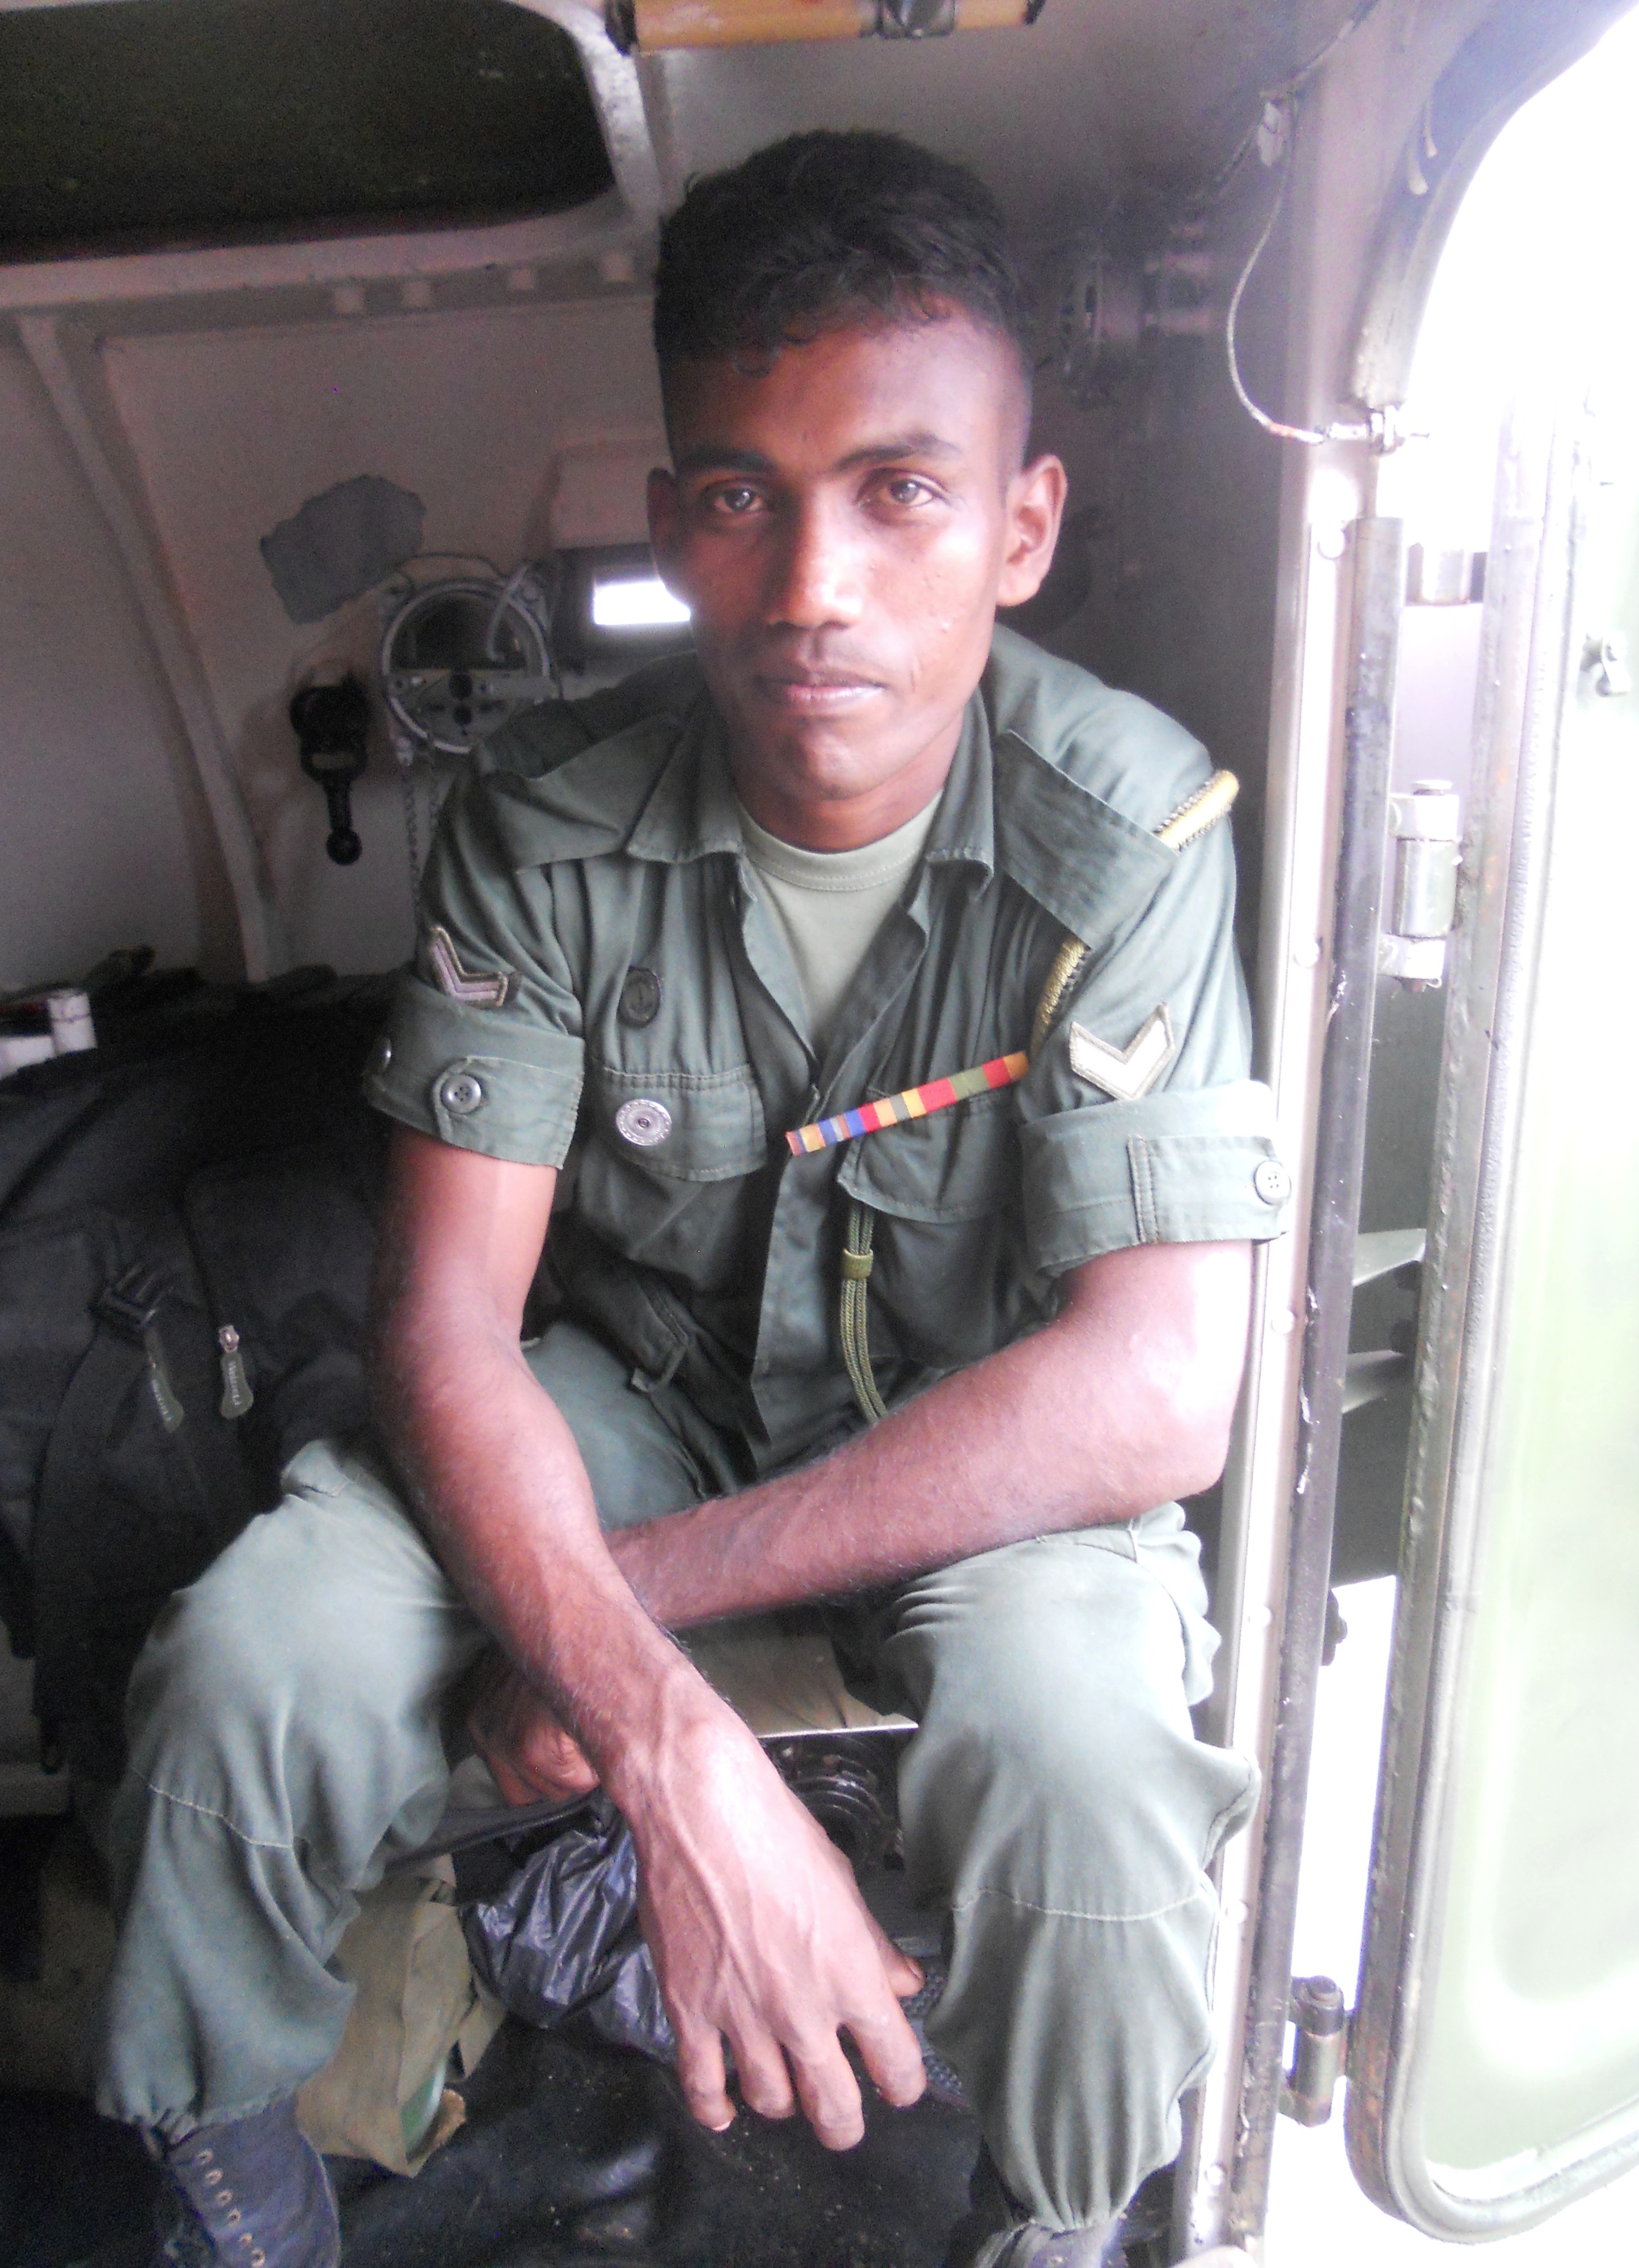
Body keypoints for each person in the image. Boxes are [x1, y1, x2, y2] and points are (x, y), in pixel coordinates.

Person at [97, 131, 1287, 2268]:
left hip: (986, 1443)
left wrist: (608, 1612)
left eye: (901, 491)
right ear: (673, 529)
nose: (815, 583)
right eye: (744, 496)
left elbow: (1152, 1391)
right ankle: (232, 2174)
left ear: (1022, 529)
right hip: (634, 1391)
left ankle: (1058, 2226)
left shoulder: (1131, 838)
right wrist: (667, 1741)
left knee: (1097, 1790)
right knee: (248, 1673)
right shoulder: (539, 824)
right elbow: (446, 1326)